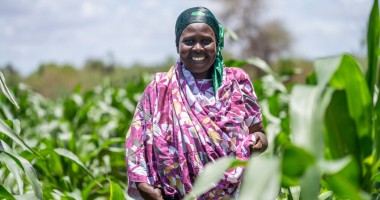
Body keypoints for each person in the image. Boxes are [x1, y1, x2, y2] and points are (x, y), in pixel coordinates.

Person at [126, 6, 267, 200]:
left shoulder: (237, 83)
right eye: (189, 41)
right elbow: (136, 141)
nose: (198, 48)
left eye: (206, 41)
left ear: (217, 44)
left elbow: (257, 131)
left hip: (233, 194)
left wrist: (260, 141)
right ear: (178, 45)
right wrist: (142, 184)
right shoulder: (159, 88)